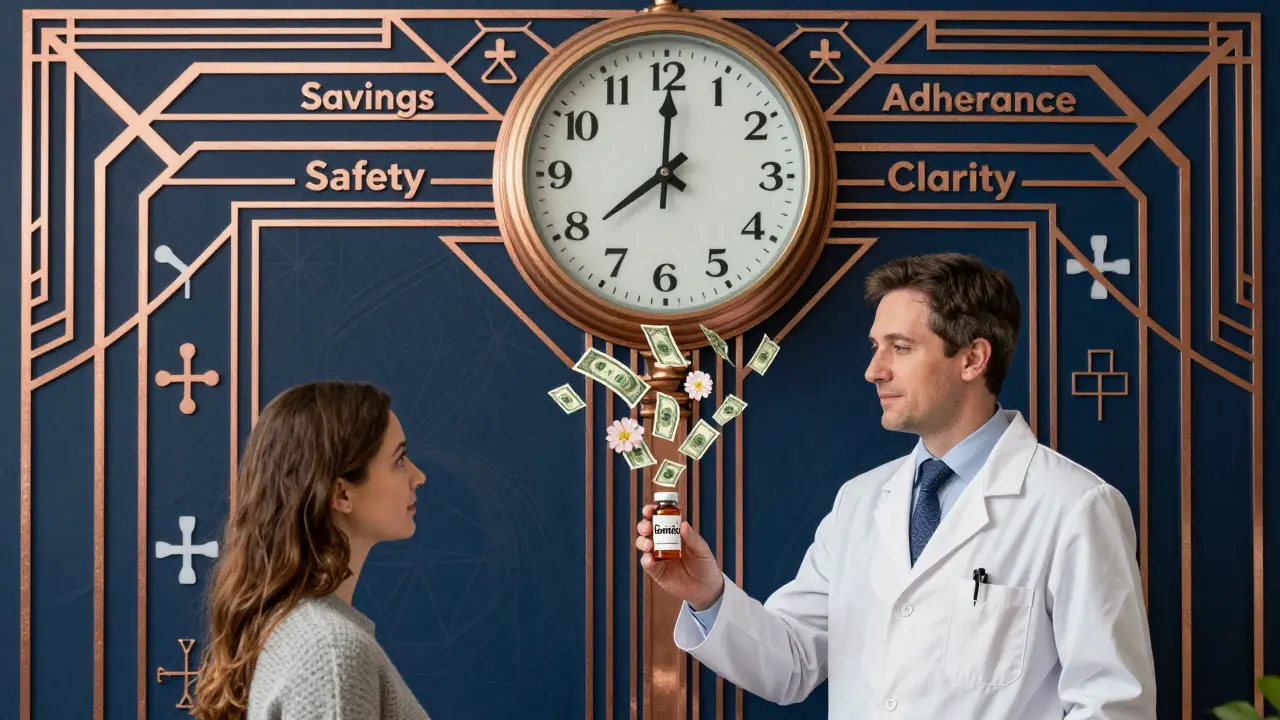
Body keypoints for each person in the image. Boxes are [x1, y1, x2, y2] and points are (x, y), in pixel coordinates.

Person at [636, 253, 1157, 718]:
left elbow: (1113, 704)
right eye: (875, 347)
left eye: (900, 347)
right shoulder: (859, 501)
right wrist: (707, 596)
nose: (873, 370)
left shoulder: (1074, 505)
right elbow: (791, 665)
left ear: (973, 359)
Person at [193, 380, 431, 719]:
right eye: (400, 459)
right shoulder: (330, 652)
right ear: (341, 495)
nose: (418, 476)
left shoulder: (304, 632)